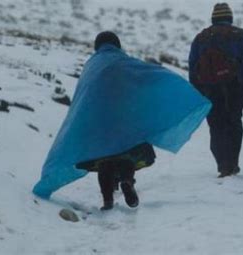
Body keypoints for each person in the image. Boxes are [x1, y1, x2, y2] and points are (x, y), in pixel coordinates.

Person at [33, 31, 211, 210]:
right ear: (117, 44)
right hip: (124, 120)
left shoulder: (92, 66)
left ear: (97, 46)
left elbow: (82, 99)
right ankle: (127, 181)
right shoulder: (124, 62)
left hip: (98, 123)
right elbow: (147, 76)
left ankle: (107, 200)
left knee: (104, 161)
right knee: (127, 155)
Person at [188, 3, 243, 178]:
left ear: (213, 19)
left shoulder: (200, 38)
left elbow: (192, 66)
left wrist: (200, 89)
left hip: (209, 88)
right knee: (234, 121)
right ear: (230, 18)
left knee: (216, 125)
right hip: (235, 86)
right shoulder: (239, 35)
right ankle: (232, 163)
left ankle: (222, 164)